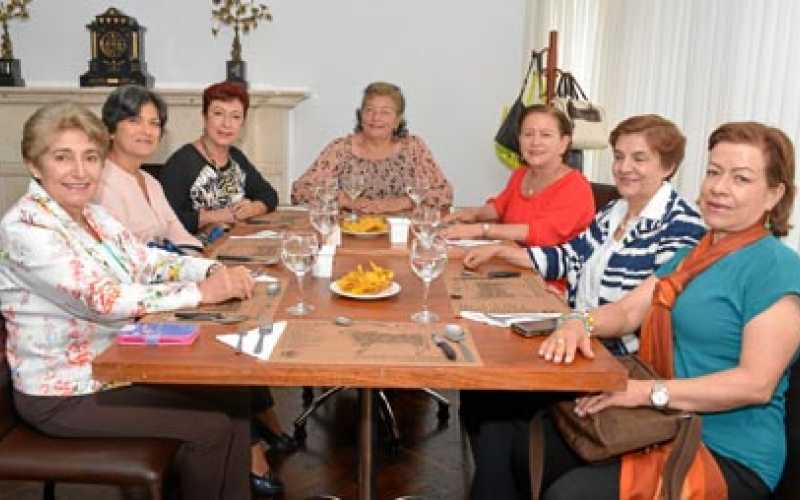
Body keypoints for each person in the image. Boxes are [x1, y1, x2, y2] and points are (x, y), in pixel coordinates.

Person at [471, 121, 800, 500]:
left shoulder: (775, 267)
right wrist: (580, 322)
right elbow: (628, 312)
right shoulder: (692, 255)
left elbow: (755, 384)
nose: (719, 187)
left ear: (774, 194)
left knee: (570, 493)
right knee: (517, 443)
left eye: (740, 178)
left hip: (725, 451)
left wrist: (645, 392)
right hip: (660, 423)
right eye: (713, 172)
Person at [0, 102, 283, 499]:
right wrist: (202, 292)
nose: (80, 171)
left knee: (234, 396)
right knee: (211, 429)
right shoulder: (25, 229)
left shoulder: (91, 215)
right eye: (62, 157)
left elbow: (147, 260)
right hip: (64, 391)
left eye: (90, 157)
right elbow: (103, 299)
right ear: (34, 164)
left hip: (113, 365)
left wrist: (208, 270)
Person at [463, 114, 706, 355]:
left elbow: (645, 310)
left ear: (668, 167)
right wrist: (501, 251)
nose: (623, 168)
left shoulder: (683, 225)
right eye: (619, 157)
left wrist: (580, 320)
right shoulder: (614, 211)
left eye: (639, 159)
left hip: (621, 355)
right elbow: (569, 256)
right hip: (579, 332)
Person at [442, 105, 595, 252]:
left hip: (547, 269)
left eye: (545, 135)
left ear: (563, 143)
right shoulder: (520, 174)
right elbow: (499, 208)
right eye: (528, 134)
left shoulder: (576, 187)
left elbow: (540, 234)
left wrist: (481, 229)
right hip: (510, 259)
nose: (535, 142)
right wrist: (469, 214)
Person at [290, 81, 453, 212]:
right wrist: (344, 200)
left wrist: (403, 202)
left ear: (397, 120)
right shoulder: (341, 148)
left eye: (385, 112)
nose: (375, 118)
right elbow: (300, 191)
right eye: (369, 110)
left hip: (402, 233)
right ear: (361, 116)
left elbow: (445, 193)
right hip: (350, 231)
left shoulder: (413, 147)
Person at [160, 81, 279, 236]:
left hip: (236, 242)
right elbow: (165, 222)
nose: (226, 124)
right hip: (197, 248)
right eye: (218, 114)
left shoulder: (236, 157)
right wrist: (213, 217)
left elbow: (269, 195)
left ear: (243, 122)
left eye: (235, 116)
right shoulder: (181, 163)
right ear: (204, 117)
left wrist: (253, 208)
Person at [94, 84, 203, 252]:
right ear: (111, 130)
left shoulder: (151, 182)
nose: (147, 131)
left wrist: (204, 260)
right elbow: (123, 254)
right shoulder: (99, 183)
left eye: (154, 123)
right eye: (134, 121)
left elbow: (179, 236)